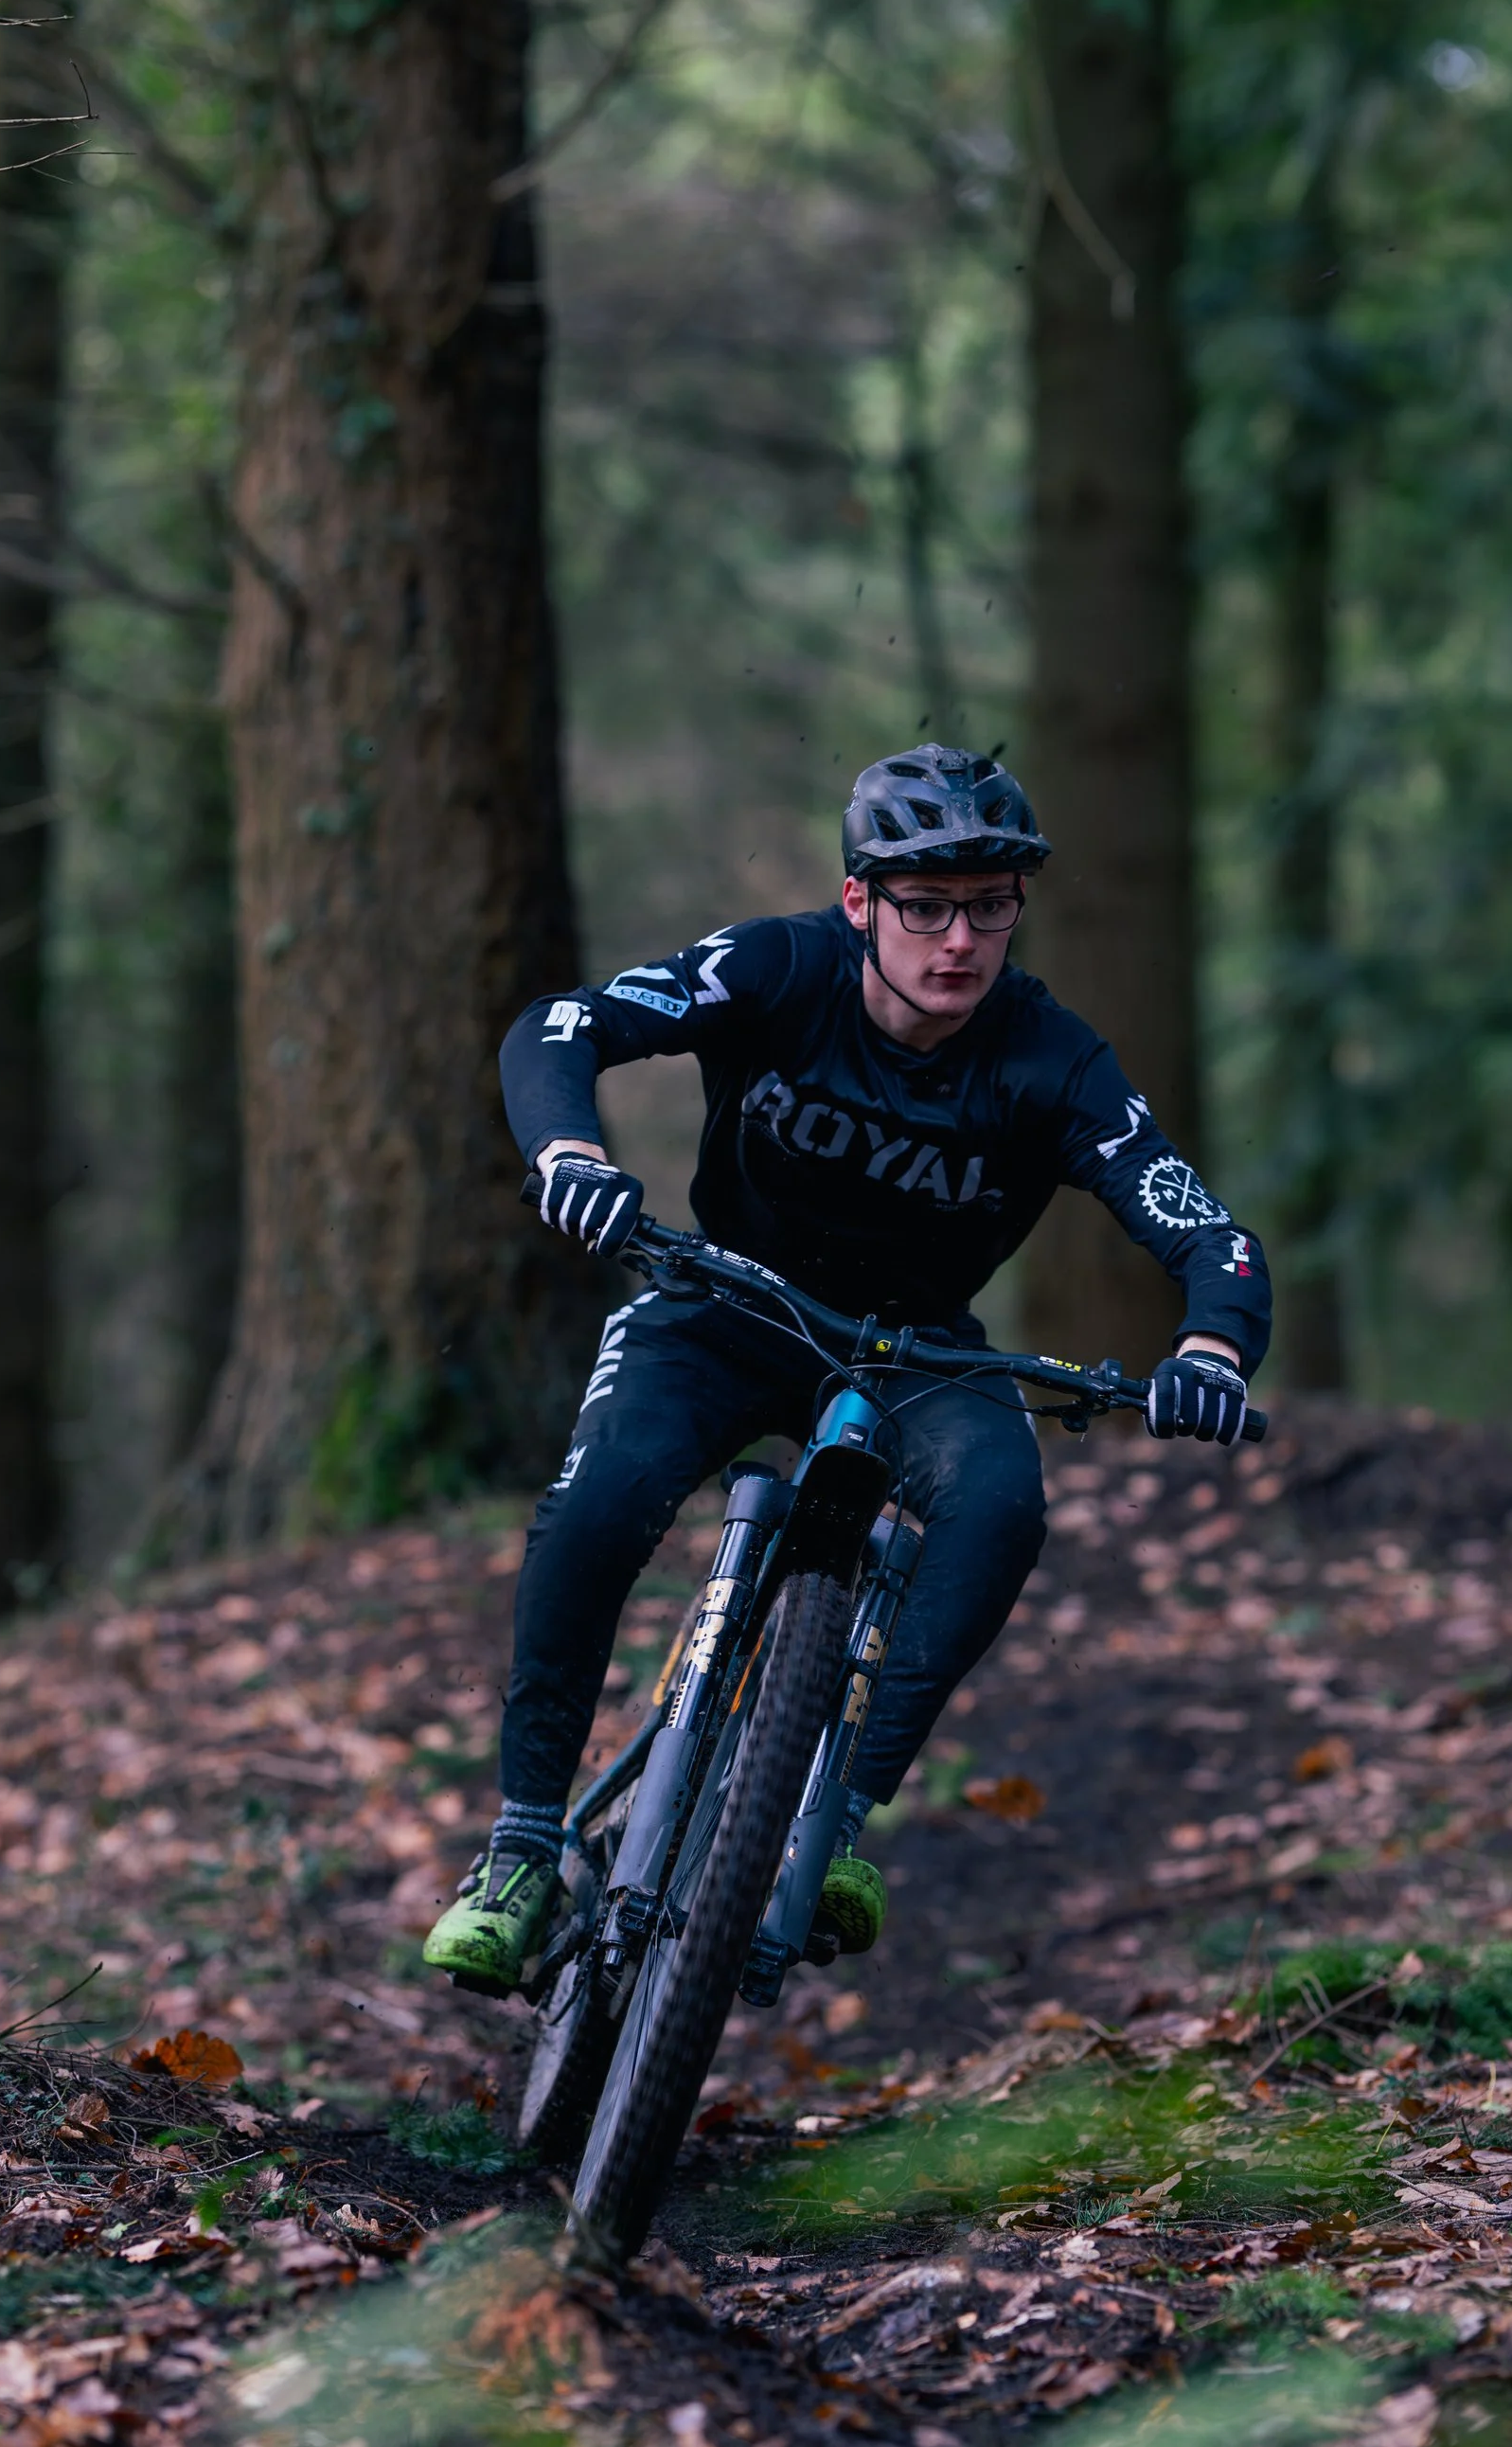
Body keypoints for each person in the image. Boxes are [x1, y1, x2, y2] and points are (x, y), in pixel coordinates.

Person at [423, 746, 1272, 1994]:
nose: (959, 941)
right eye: (925, 907)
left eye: (990, 907)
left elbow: (1210, 1232)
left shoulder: (1054, 1059)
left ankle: (832, 1822)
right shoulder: (780, 966)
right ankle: (521, 1844)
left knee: (998, 1506)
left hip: (920, 1347)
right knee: (603, 1500)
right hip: (725, 1305)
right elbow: (563, 1024)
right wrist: (569, 1154)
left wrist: (1209, 1348)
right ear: (859, 901)